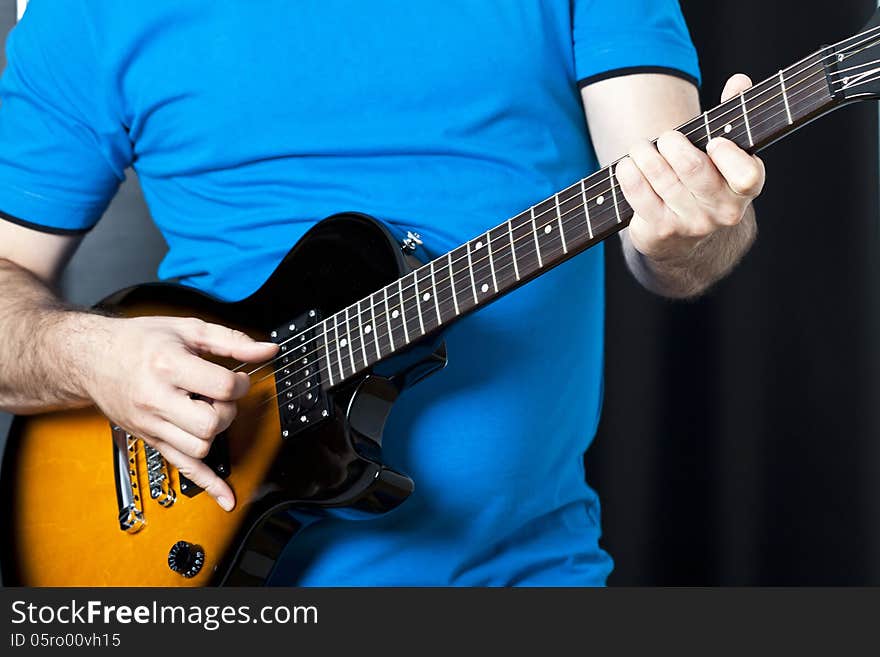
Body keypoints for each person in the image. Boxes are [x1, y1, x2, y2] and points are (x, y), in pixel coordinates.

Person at [0, 1, 764, 585]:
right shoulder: (88, 11)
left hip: (525, 577)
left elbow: (679, 223)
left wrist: (691, 231)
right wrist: (91, 354)